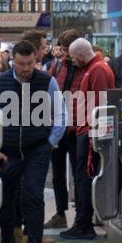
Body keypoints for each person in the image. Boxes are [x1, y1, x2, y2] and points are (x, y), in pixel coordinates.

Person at [0, 39, 65, 243]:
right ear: (12, 61)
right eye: (21, 64)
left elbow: (60, 114)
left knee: (33, 196)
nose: (26, 68)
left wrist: (50, 143)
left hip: (37, 148)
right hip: (8, 150)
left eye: (30, 63)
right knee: (7, 198)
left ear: (35, 60)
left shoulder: (47, 82)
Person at [60, 38, 115, 241]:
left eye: (74, 57)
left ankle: (84, 224)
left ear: (81, 55)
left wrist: (89, 131)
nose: (73, 61)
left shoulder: (98, 70)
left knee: (84, 179)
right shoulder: (93, 69)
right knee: (81, 178)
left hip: (89, 133)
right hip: (84, 131)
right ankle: (82, 222)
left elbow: (99, 103)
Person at [44, 29, 80, 229]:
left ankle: (82, 216)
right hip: (58, 128)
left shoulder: (87, 68)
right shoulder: (57, 67)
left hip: (77, 130)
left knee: (79, 173)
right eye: (63, 49)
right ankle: (60, 213)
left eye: (67, 49)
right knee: (58, 173)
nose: (64, 53)